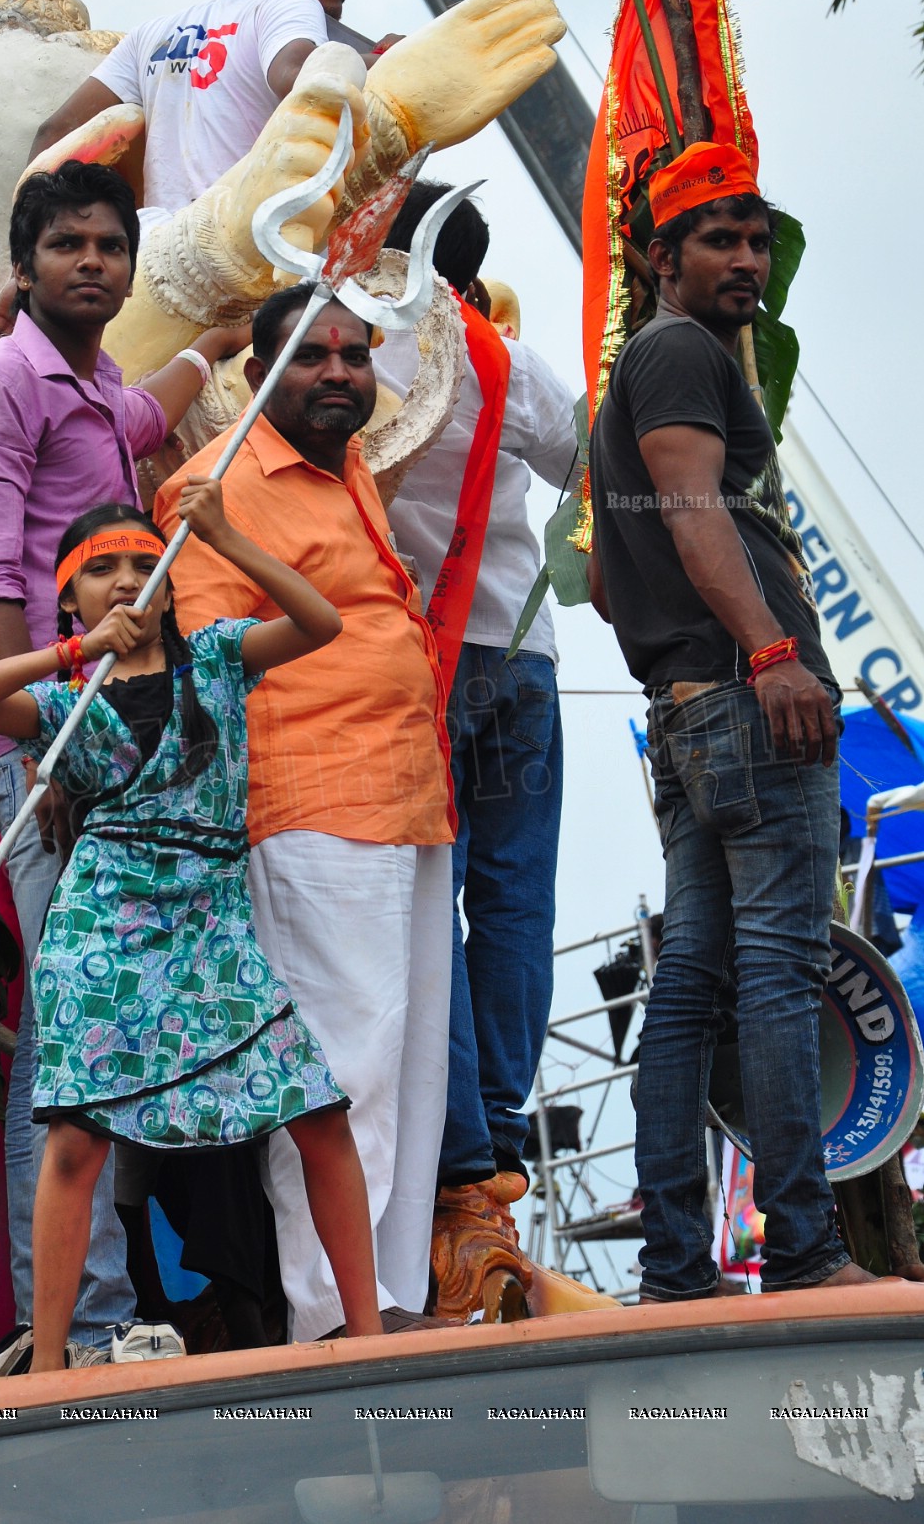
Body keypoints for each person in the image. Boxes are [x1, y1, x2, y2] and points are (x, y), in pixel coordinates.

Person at [0, 484, 384, 1365]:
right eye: (101, 570)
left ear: (174, 585)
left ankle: (369, 1337)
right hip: (105, 931)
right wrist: (72, 651)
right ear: (68, 595)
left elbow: (320, 621)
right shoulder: (69, 705)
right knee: (74, 1141)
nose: (129, 580)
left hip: (212, 928)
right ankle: (54, 1362)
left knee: (318, 1114)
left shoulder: (217, 658)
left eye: (148, 564)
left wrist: (222, 535)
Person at [0, 160, 250, 1362]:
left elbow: (148, 413)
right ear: (23, 268)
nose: (93, 263)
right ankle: (87, 1325)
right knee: (71, 1039)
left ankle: (97, 1316)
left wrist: (215, 344)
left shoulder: (99, 392)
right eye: (67, 246)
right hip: (50, 753)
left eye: (109, 246)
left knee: (108, 1033)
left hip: (119, 757)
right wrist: (50, 746)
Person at [587, 140, 874, 1299]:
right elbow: (692, 512)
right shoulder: (675, 356)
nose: (746, 259)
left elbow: (613, 574)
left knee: (697, 979)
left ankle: (676, 1270)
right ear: (662, 256)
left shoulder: (649, 363)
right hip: (751, 703)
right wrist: (764, 653)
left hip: (699, 708)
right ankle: (801, 1252)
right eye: (717, 239)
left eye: (756, 240)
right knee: (774, 972)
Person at [154, 285, 456, 1342]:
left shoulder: (348, 470)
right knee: (340, 1066)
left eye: (353, 356)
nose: (337, 372)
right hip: (308, 803)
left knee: (410, 1069)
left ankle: (392, 1302)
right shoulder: (214, 489)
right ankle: (331, 1316)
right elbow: (209, 669)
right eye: (312, 356)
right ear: (256, 375)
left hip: (409, 797)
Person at [376, 182, 576, 1294]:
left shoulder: (360, 346)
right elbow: (595, 461)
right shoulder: (501, 352)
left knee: (428, 899)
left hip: (420, 657)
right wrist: (562, 556)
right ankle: (498, 1121)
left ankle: (456, 1145)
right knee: (513, 898)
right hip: (525, 656)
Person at [28, 0, 394, 235]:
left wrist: (34, 239)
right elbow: (297, 76)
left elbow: (55, 132)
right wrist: (395, 58)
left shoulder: (151, 35)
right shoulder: (292, 4)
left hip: (159, 256)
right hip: (254, 253)